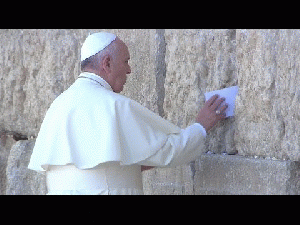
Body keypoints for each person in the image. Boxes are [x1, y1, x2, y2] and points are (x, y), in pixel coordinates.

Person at [28, 32, 228, 195]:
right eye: (126, 61)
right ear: (106, 63)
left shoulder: (58, 105)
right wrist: (201, 126)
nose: (129, 70)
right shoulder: (114, 105)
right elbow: (168, 152)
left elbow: (100, 164)